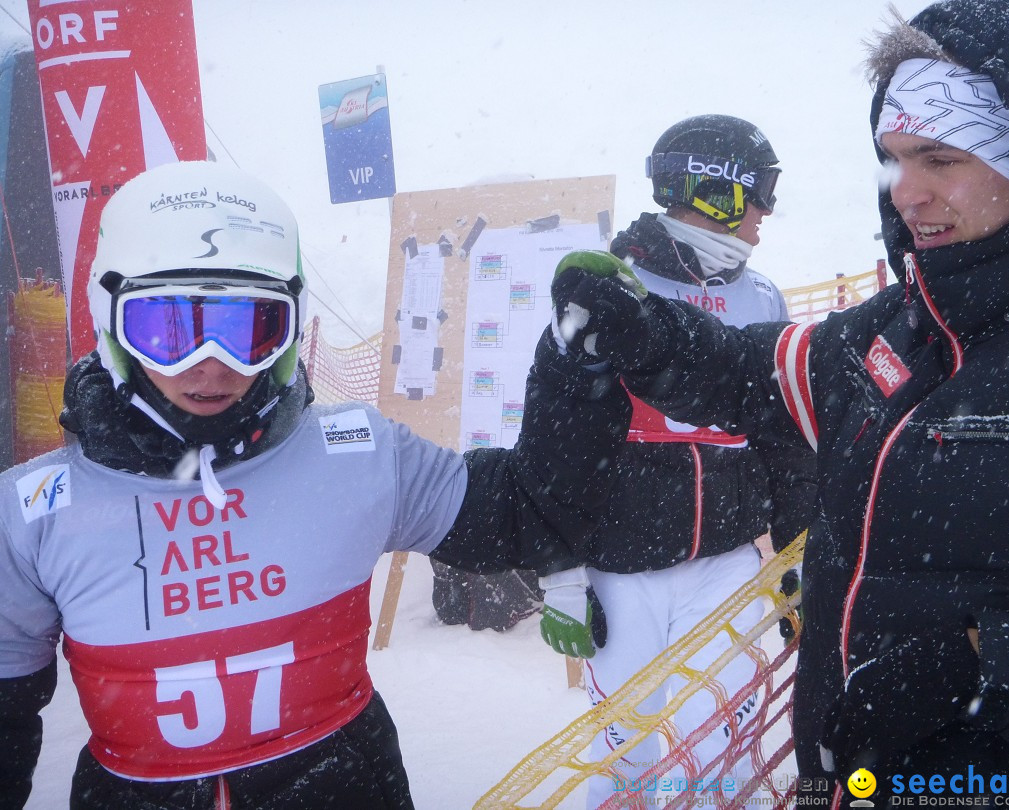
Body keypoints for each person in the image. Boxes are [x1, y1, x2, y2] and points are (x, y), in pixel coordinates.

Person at [546, 0, 1009, 804]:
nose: (908, 193)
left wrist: (994, 664)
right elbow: (753, 373)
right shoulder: (897, 329)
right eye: (894, 159)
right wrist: (647, 333)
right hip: (841, 780)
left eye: (940, 159)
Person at [0, 160, 631, 809]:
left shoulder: (355, 455)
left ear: (289, 325)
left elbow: (522, 512)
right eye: (169, 330)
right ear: (113, 324)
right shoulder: (34, 515)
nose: (212, 364)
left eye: (249, 328)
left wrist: (575, 375)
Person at [536, 115, 816, 807]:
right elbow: (554, 438)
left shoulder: (761, 296)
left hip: (725, 562)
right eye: (762, 191)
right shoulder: (611, 286)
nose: (767, 212)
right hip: (621, 568)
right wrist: (559, 569)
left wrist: (800, 553)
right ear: (718, 191)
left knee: (730, 748)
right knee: (625, 755)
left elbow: (784, 439)